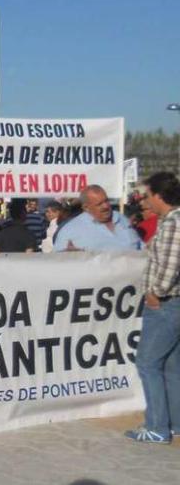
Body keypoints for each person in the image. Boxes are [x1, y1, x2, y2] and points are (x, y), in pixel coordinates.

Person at [125, 172, 180, 444]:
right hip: (174, 303)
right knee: (171, 365)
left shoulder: (172, 224)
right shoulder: (173, 221)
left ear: (159, 196)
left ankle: (157, 426)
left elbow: (170, 264)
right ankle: (175, 423)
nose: (145, 201)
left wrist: (156, 292)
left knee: (147, 363)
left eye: (147, 196)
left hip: (167, 303)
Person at [54, 185, 141, 251]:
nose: (105, 206)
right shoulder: (70, 230)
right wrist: (70, 258)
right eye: (99, 204)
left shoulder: (121, 218)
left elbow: (140, 246)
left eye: (106, 201)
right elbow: (59, 262)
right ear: (86, 207)